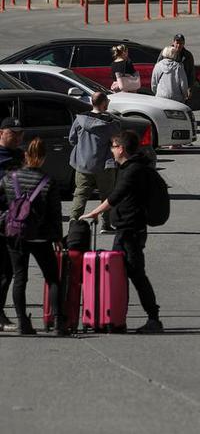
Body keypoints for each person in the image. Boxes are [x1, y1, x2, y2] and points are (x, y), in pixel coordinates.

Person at [82, 129, 164, 334]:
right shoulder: (129, 167)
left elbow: (116, 196)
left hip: (131, 231)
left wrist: (94, 213)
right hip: (125, 230)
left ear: (121, 148)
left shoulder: (133, 170)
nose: (111, 150)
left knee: (136, 274)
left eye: (113, 146)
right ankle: (119, 317)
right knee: (121, 274)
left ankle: (153, 318)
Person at [1, 138, 66, 335]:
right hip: (41, 236)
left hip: (15, 234)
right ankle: (58, 322)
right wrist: (57, 237)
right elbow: (55, 213)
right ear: (44, 158)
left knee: (20, 278)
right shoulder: (48, 181)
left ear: (25, 156)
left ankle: (23, 323)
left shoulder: (9, 179)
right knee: (53, 278)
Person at [68, 90, 121, 223]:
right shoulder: (110, 124)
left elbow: (72, 140)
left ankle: (74, 221)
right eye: (107, 101)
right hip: (105, 165)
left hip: (83, 164)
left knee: (80, 194)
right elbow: (117, 141)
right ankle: (106, 223)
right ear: (103, 103)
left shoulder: (80, 120)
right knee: (107, 195)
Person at [0, 118, 22, 328]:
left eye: (19, 133)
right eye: (12, 133)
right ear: (1, 133)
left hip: (14, 220)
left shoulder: (20, 155)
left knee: (7, 271)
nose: (17, 137)